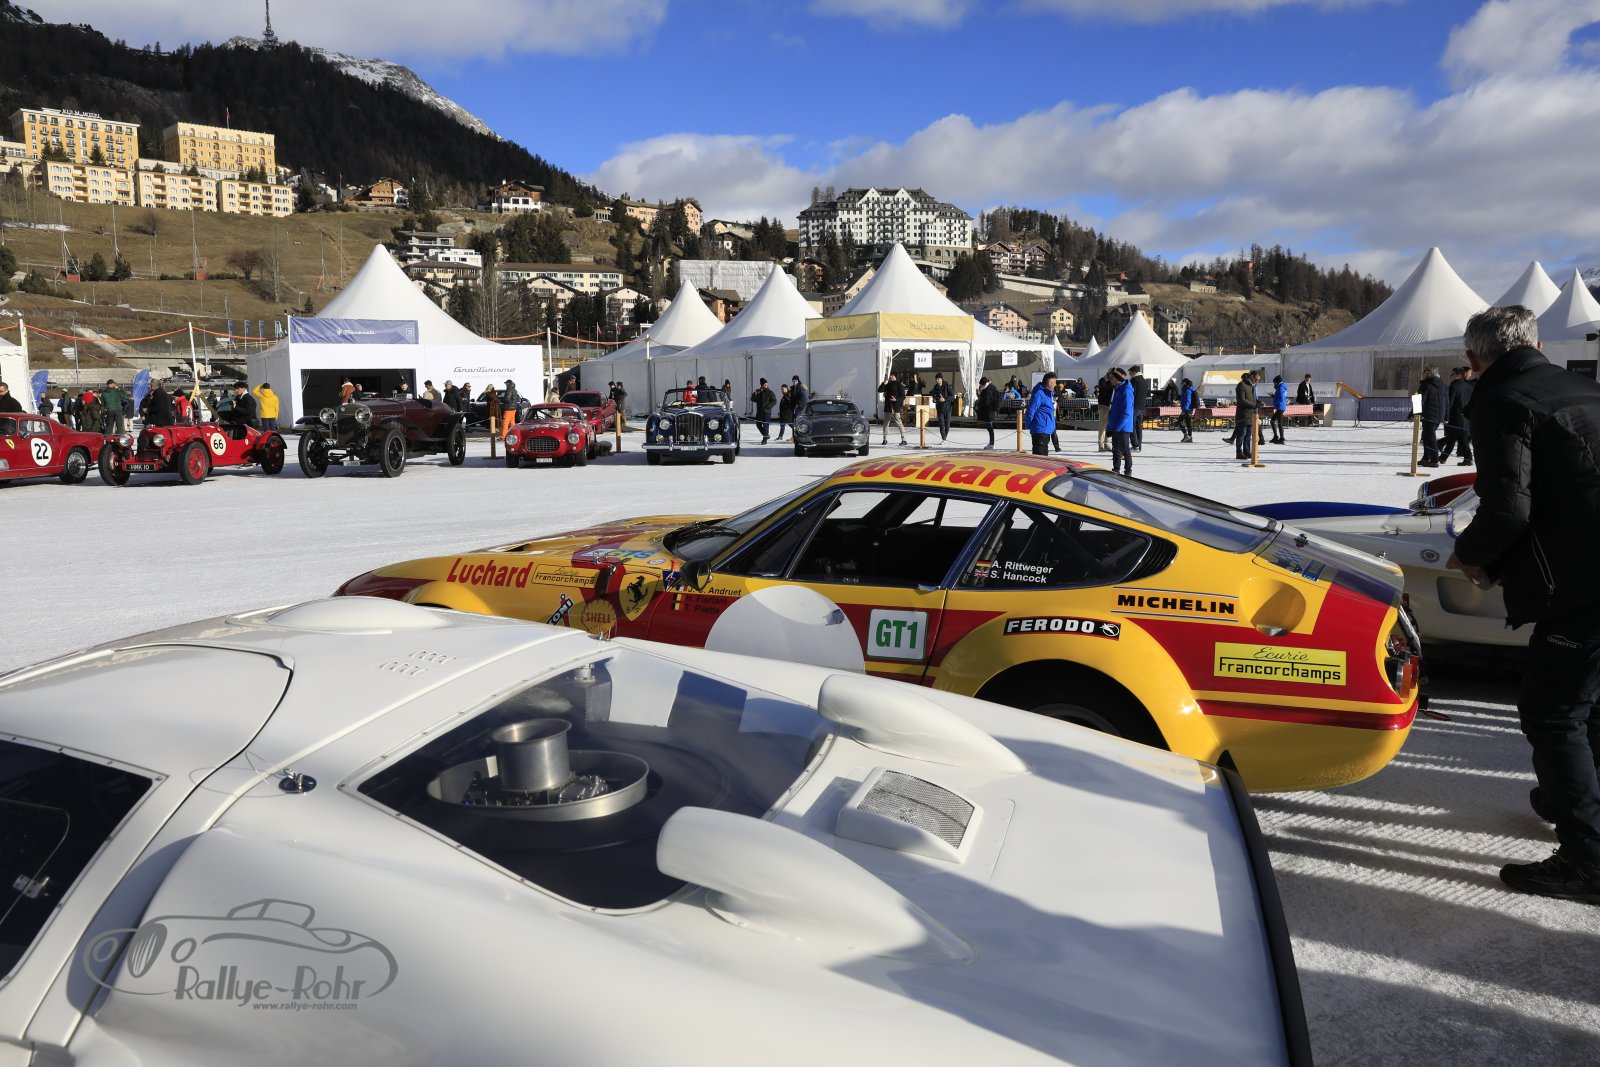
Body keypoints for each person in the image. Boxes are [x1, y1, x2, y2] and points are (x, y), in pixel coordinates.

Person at [1446, 304, 1600, 903]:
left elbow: (1509, 507)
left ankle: (1587, 858)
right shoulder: (1581, 388)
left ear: (1475, 358)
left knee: (1554, 712)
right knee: (1589, 704)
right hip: (1587, 566)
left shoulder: (1504, 400)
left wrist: (1470, 555)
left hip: (1583, 581)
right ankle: (1575, 798)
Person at [1439, 366, 1475, 466]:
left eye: (1452, 374)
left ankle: (1468, 459)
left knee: (1461, 439)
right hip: (1465, 417)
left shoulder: (1454, 386)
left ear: (1458, 375)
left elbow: (1449, 403)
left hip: (1455, 417)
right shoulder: (1469, 387)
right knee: (1453, 438)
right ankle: (1443, 457)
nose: (1450, 376)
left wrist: (1445, 415)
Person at [1107, 368, 1135, 475]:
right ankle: (1116, 469)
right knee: (1116, 450)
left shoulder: (1126, 391)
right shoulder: (1117, 390)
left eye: (1112, 378)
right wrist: (1110, 427)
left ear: (1117, 378)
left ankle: (1128, 471)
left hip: (1123, 427)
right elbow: (1114, 411)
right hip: (1116, 426)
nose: (1110, 380)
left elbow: (1126, 413)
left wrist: (1116, 427)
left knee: (1125, 450)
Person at [1417, 365, 1446, 466]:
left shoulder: (1426, 383)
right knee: (1426, 436)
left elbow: (1421, 399)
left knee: (1430, 437)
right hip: (1438, 416)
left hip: (1429, 415)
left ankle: (1434, 460)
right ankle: (1426, 457)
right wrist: (1445, 415)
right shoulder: (1442, 383)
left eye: (1425, 371)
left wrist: (1413, 413)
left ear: (1430, 372)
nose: (1423, 373)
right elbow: (1447, 400)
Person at [1025, 372, 1058, 457]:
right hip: (1040, 430)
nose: (1055, 384)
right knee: (1040, 457)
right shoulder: (1039, 394)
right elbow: (1031, 410)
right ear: (1049, 383)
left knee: (1043, 456)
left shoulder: (1047, 394)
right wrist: (1029, 425)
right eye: (1054, 382)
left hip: (1045, 429)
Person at [1232, 370, 1259, 460]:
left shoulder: (1252, 386)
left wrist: (1258, 403)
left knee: (1248, 435)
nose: (1257, 381)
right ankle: (1239, 452)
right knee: (1241, 434)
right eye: (1256, 379)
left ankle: (1246, 451)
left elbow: (1253, 399)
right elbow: (1241, 400)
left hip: (1251, 415)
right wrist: (1254, 405)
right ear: (1251, 376)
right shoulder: (1241, 385)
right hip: (1243, 415)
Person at [878, 372, 906, 445]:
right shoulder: (888, 384)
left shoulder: (899, 385)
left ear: (895, 376)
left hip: (895, 407)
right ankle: (885, 439)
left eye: (891, 375)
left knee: (899, 423)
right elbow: (880, 390)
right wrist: (884, 382)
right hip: (888, 407)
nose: (890, 377)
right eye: (890, 375)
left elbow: (903, 396)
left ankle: (904, 439)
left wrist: (896, 399)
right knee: (886, 424)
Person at [975, 375, 1000, 449]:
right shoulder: (991, 388)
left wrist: (978, 405)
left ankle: (991, 444)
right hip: (990, 411)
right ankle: (991, 443)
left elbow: (986, 402)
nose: (980, 386)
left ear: (983, 384)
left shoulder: (987, 391)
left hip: (988, 411)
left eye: (980, 384)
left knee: (990, 428)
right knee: (989, 427)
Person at [1129, 365, 1149, 450]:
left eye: (1130, 373)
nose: (1129, 374)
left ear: (1134, 372)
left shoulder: (1134, 380)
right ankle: (1139, 445)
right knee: (1139, 426)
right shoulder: (1144, 380)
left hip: (1134, 406)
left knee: (1131, 425)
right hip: (1142, 407)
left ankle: (1135, 445)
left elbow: (1132, 393)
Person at [750, 377, 776, 443]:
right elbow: (753, 399)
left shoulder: (770, 392)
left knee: (765, 425)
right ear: (762, 385)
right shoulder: (758, 391)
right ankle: (766, 435)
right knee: (758, 424)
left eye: (767, 384)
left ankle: (765, 439)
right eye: (765, 384)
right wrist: (755, 393)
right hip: (759, 411)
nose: (766, 385)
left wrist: (768, 406)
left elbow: (774, 401)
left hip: (767, 412)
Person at [929, 373, 952, 443]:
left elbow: (952, 396)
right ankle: (943, 438)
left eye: (938, 379)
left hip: (947, 408)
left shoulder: (947, 385)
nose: (937, 380)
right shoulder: (935, 387)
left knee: (947, 426)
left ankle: (944, 437)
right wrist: (935, 399)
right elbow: (934, 397)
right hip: (940, 408)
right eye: (936, 379)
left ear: (941, 379)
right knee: (941, 424)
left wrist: (945, 399)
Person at [1094, 372, 1114, 452]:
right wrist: (1112, 383)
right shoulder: (1102, 380)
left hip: (1111, 405)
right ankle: (1101, 444)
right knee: (1102, 425)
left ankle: (1107, 443)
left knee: (1110, 425)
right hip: (1103, 405)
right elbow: (1104, 389)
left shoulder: (1113, 381)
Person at [1270, 374, 1289, 444]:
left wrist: (1274, 397)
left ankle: (1281, 439)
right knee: (1272, 421)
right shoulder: (1283, 387)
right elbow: (1282, 397)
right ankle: (1276, 437)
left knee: (1279, 423)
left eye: (1274, 383)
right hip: (1281, 406)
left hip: (1280, 407)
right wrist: (1274, 396)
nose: (1274, 384)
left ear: (1277, 382)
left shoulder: (1280, 388)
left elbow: (1280, 397)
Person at [1177, 377, 1197, 442]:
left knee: (1180, 421)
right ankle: (1190, 438)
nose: (1181, 384)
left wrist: (1184, 410)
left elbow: (1188, 401)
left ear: (1185, 383)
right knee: (1188, 423)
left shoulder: (1187, 390)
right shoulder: (1188, 389)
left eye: (1182, 383)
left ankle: (1186, 435)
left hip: (1187, 409)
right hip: (1189, 409)